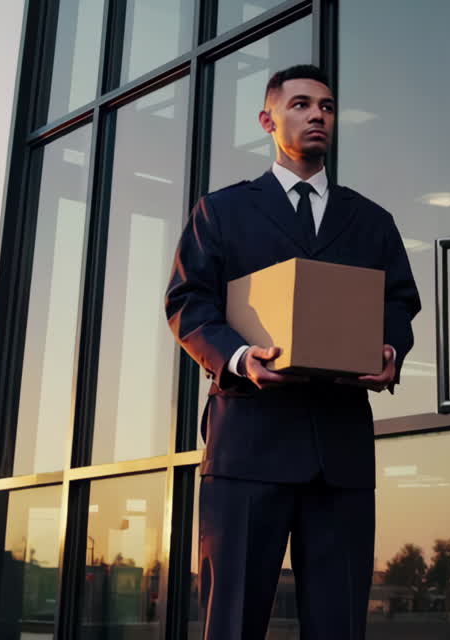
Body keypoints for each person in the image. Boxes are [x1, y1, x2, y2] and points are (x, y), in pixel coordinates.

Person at [165, 64, 421, 639]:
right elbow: (188, 301)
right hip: (248, 446)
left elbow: (399, 301)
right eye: (301, 104)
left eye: (326, 107)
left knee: (339, 626)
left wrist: (389, 349)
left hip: (340, 451)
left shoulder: (372, 220)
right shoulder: (222, 211)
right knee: (233, 624)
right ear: (268, 120)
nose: (317, 115)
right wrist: (238, 359)